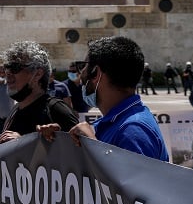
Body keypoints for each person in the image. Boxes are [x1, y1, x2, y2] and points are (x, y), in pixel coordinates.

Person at [39, 36, 168, 162]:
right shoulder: (112, 122)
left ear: (96, 73)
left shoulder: (132, 130)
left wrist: (93, 145)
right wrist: (60, 138)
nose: (81, 73)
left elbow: (132, 182)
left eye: (83, 66)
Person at [0, 41, 79, 144]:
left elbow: (82, 155)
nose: (8, 73)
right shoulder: (16, 110)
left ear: (37, 74)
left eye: (15, 67)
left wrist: (22, 143)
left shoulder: (56, 110)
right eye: (7, 67)